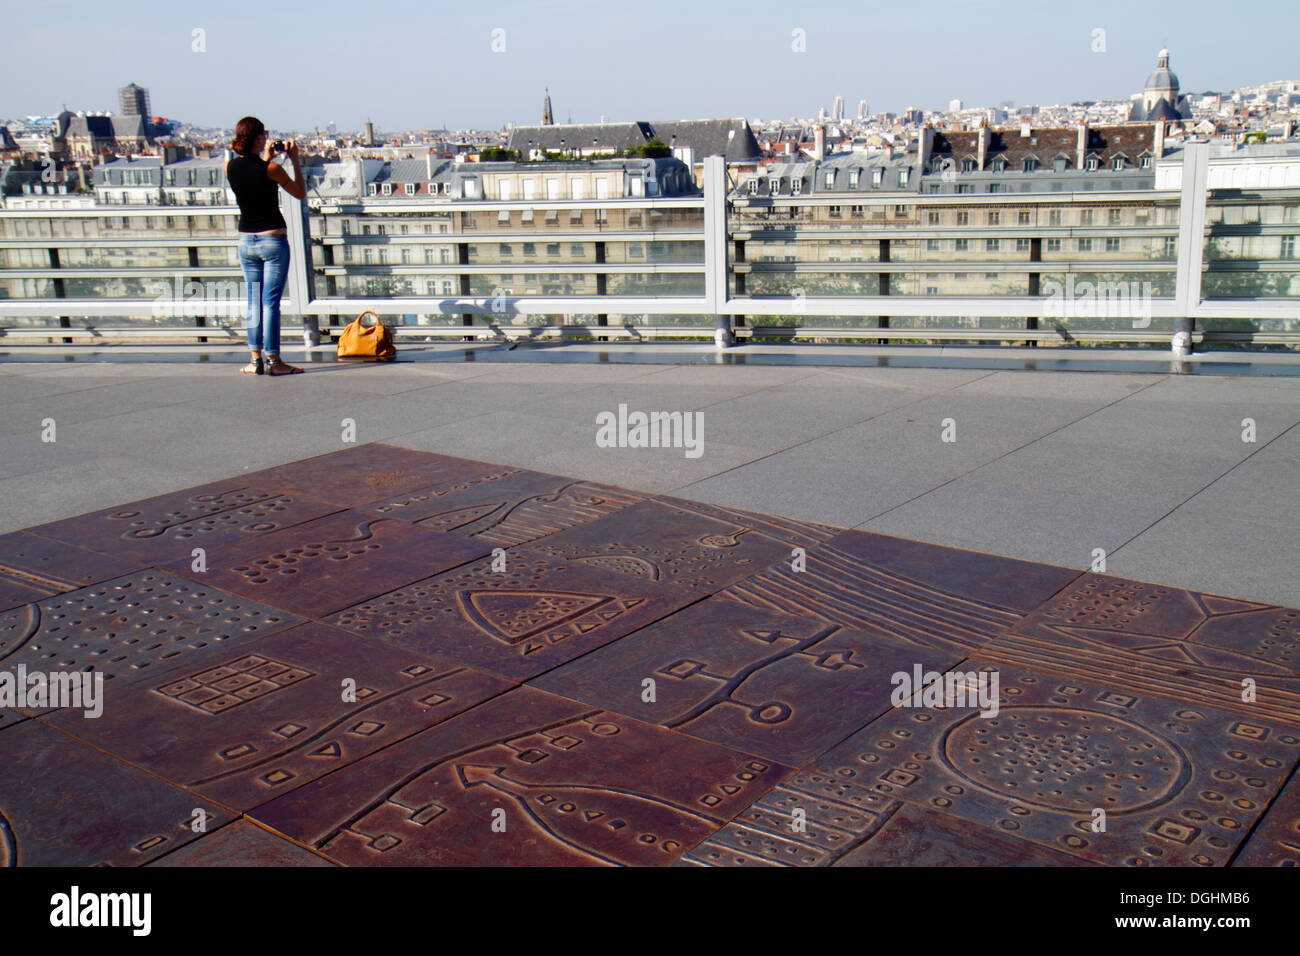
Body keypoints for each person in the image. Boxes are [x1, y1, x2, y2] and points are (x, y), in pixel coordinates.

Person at [226, 116, 306, 375]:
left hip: (246, 241)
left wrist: (266, 158)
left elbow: (252, 179)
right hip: (272, 240)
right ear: (259, 138)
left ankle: (255, 360)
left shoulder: (230, 167)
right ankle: (275, 361)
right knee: (270, 302)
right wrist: (293, 159)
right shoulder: (271, 170)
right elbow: (299, 192)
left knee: (253, 301)